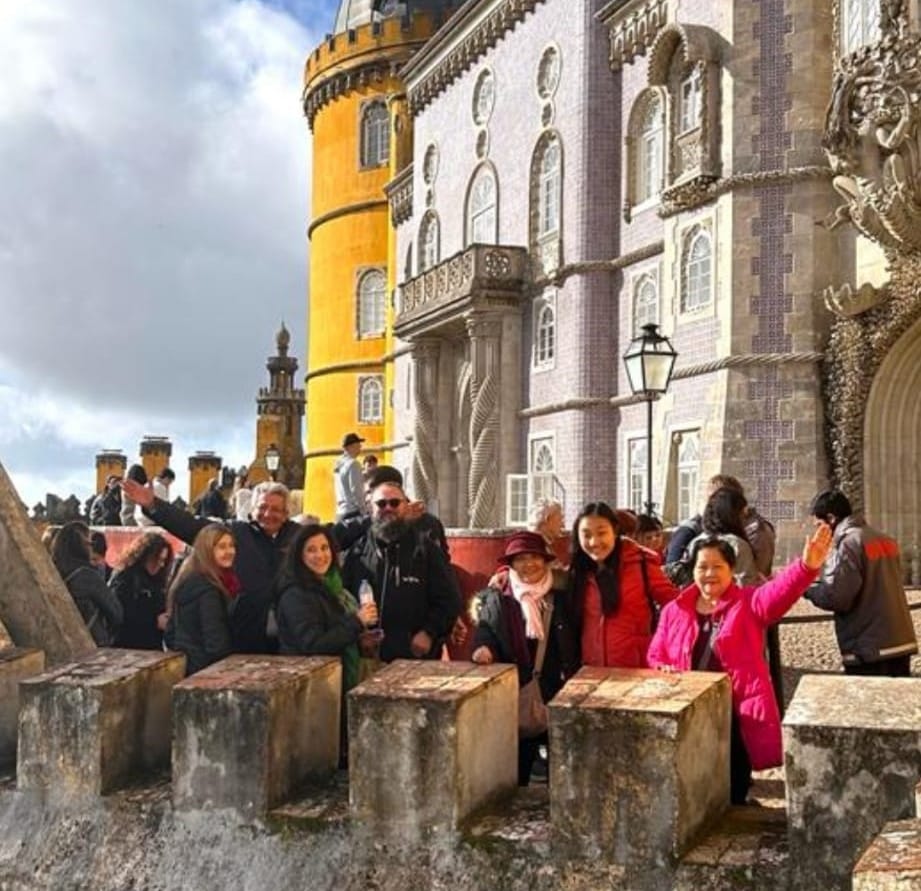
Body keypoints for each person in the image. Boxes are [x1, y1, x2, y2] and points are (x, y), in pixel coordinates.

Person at [647, 523, 834, 804]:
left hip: (735, 715)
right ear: (693, 570)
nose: (709, 573)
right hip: (689, 714)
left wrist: (806, 567)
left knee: (733, 785)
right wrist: (664, 670)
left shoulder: (747, 603)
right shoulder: (675, 610)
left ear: (731, 570)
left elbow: (778, 593)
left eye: (717, 566)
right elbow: (656, 655)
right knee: (691, 784)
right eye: (702, 567)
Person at [122, 477, 300, 654]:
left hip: (289, 637)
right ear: (252, 510)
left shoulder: (299, 536)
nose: (268, 514)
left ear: (286, 513)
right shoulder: (237, 532)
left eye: (276, 509)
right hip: (245, 636)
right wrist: (153, 505)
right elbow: (191, 526)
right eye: (262, 507)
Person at [471, 531, 578, 785]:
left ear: (545, 560)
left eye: (534, 557)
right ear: (511, 564)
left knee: (561, 772)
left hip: (557, 689)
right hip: (518, 692)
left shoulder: (563, 594)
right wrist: (483, 649)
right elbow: (486, 630)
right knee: (517, 768)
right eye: (520, 559)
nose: (528, 564)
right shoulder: (497, 597)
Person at [276, 524, 379, 761]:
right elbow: (313, 643)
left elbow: (332, 630)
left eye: (324, 548)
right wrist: (356, 622)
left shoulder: (329, 587)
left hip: (334, 680)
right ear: (299, 556)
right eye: (311, 550)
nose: (320, 555)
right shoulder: (296, 594)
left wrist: (359, 639)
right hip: (311, 688)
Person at [341, 480, 461, 662]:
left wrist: (429, 633)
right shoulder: (357, 553)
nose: (388, 508)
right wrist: (358, 635)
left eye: (395, 503)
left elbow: (449, 600)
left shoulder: (426, 550)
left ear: (406, 506)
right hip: (368, 660)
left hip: (416, 658)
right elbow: (343, 601)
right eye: (381, 504)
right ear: (370, 508)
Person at [805, 489, 918, 676]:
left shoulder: (848, 543)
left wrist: (806, 589)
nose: (817, 532)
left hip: (869, 648)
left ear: (831, 518)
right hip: (900, 642)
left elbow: (837, 597)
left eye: (819, 525)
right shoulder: (885, 540)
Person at [568, 502, 677, 668]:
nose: (594, 542)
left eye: (601, 533)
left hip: (637, 669)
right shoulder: (578, 570)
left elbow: (675, 606)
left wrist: (662, 647)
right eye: (586, 535)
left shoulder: (640, 563)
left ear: (615, 530)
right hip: (592, 671)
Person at [666, 474, 775, 577]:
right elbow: (675, 571)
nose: (710, 505)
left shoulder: (754, 532)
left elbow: (754, 575)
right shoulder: (693, 533)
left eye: (717, 499)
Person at [167, 524, 238, 675]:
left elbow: (170, 633)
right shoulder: (209, 590)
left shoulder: (186, 580)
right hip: (206, 670)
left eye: (232, 546)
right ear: (207, 551)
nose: (230, 551)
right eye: (222, 547)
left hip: (188, 664)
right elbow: (215, 640)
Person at [51, 521, 123, 645]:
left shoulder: (50, 572)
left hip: (58, 642)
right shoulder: (87, 575)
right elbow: (116, 613)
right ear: (83, 546)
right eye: (90, 544)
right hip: (89, 643)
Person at [109, 532, 172, 650]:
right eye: (157, 559)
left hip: (152, 645)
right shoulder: (126, 578)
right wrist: (153, 621)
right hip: (128, 645)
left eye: (164, 560)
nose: (161, 565)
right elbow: (120, 613)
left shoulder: (158, 580)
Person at [689, 488, 761, 586]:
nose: (745, 520)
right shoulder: (738, 545)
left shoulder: (696, 542)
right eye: (742, 514)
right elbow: (746, 583)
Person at [334, 432, 366, 521]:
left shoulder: (338, 464)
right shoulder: (353, 464)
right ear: (350, 447)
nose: (360, 447)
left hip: (340, 511)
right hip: (352, 513)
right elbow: (356, 489)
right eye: (358, 444)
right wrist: (363, 509)